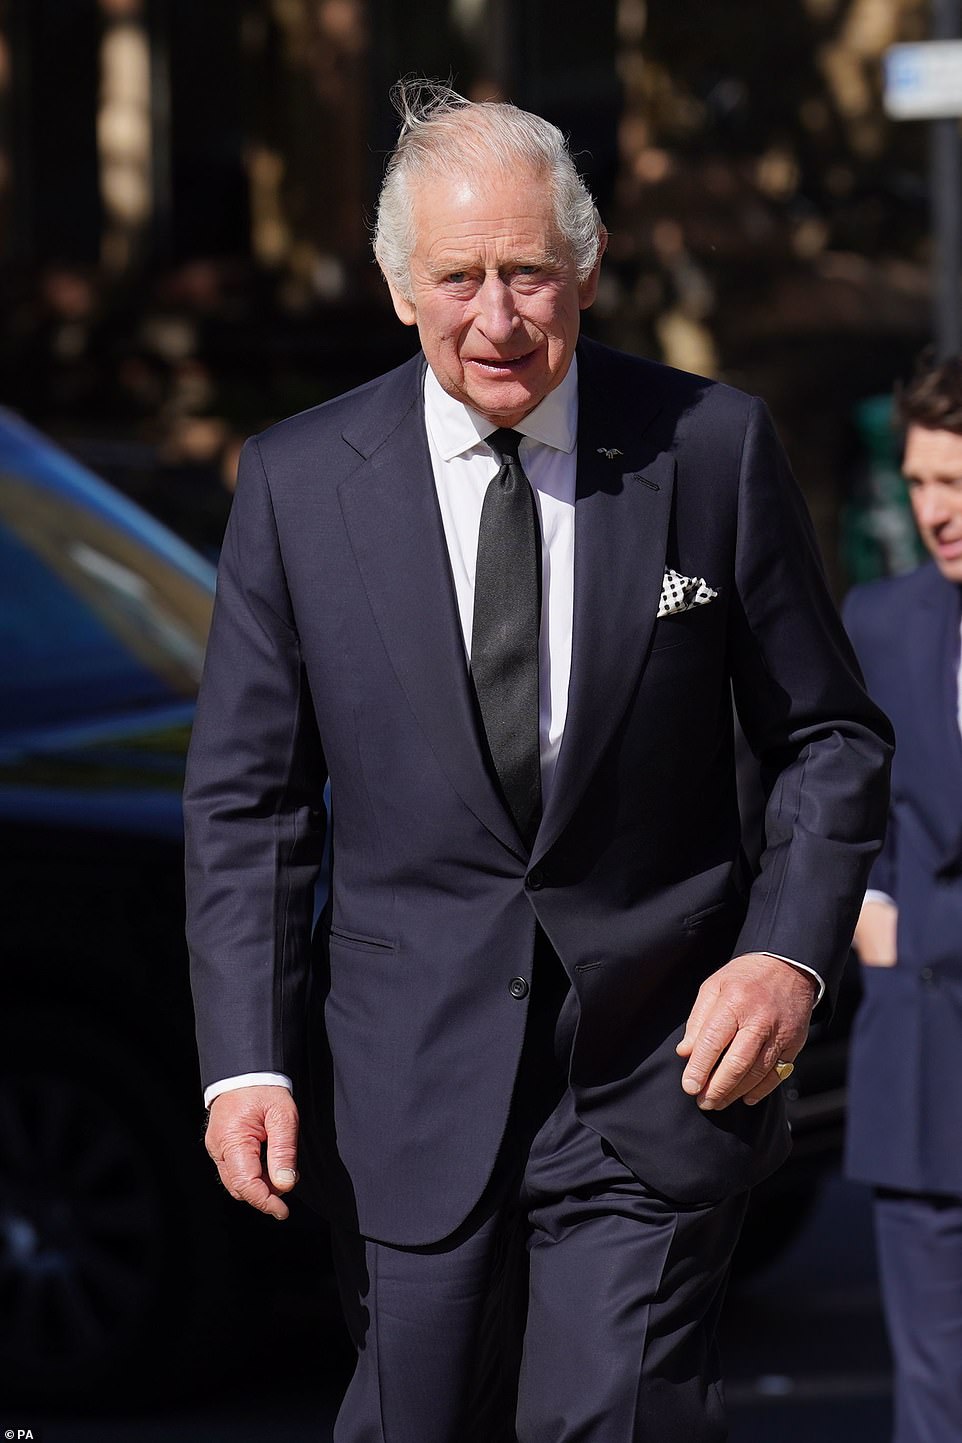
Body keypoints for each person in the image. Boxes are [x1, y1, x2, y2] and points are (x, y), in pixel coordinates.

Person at [184, 81, 892, 1443]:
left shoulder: (709, 448)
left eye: (529, 274)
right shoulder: (296, 481)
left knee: (608, 1418)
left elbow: (827, 735)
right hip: (402, 1086)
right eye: (458, 277)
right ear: (400, 288)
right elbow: (248, 799)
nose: (496, 318)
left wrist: (784, 952)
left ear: (588, 269)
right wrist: (245, 1060)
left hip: (655, 1069)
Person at [843, 353, 962, 1443]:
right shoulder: (880, 623)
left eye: (957, 485)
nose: (934, 511)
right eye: (921, 482)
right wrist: (864, 906)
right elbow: (833, 794)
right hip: (920, 1055)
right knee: (932, 1397)